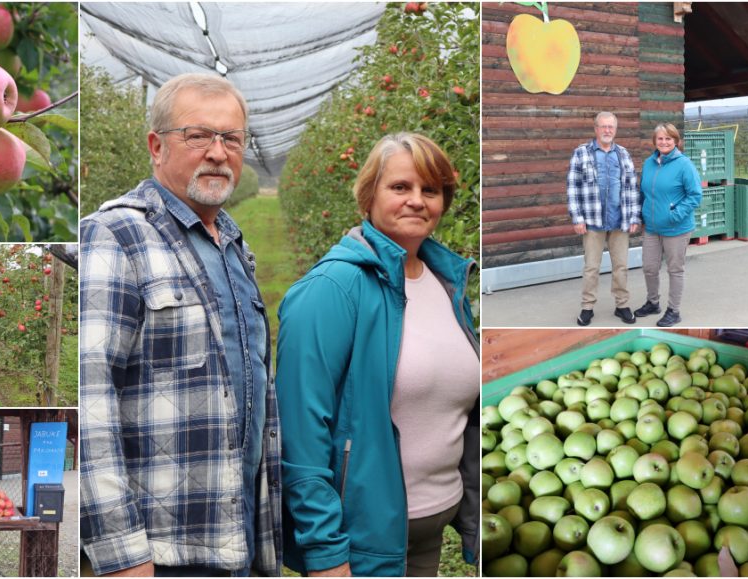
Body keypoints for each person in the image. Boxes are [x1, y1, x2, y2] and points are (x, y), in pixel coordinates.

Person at [79, 73, 281, 577]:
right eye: (198, 136)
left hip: (236, 539)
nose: (218, 152)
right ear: (156, 146)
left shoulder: (233, 244)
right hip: (164, 553)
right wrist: (122, 555)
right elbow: (90, 401)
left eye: (231, 138)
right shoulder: (115, 236)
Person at [275, 133, 480, 577]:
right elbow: (301, 434)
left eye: (431, 190)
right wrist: (326, 554)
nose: (417, 201)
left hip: (430, 528)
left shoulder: (447, 282)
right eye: (400, 187)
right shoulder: (331, 291)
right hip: (364, 541)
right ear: (369, 195)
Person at [566, 111, 641, 326]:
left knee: (621, 266)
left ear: (615, 130)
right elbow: (573, 187)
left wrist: (634, 216)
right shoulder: (582, 153)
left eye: (611, 127)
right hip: (592, 220)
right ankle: (587, 307)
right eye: (603, 126)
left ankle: (622, 305)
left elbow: (632, 187)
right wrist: (577, 218)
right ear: (596, 129)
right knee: (591, 267)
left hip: (620, 220)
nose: (607, 130)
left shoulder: (623, 154)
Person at [634, 122, 703, 327]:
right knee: (649, 267)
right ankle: (652, 302)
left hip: (676, 228)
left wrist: (675, 215)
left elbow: (695, 195)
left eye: (668, 138)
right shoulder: (649, 163)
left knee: (674, 270)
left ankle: (673, 310)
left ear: (676, 141)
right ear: (655, 141)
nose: (664, 142)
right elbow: (643, 192)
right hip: (652, 227)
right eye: (660, 138)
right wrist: (641, 213)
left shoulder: (684, 165)